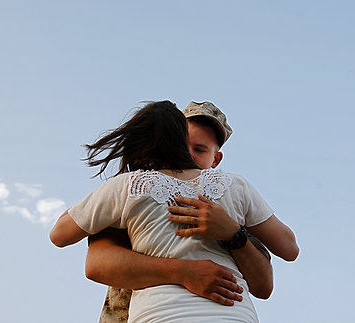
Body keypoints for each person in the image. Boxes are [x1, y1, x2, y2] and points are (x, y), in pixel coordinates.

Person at [50, 101, 299, 322]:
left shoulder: (129, 188)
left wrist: (234, 233)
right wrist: (185, 271)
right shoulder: (235, 188)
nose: (188, 153)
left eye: (199, 149)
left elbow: (264, 285)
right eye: (184, 143)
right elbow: (96, 264)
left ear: (216, 159)